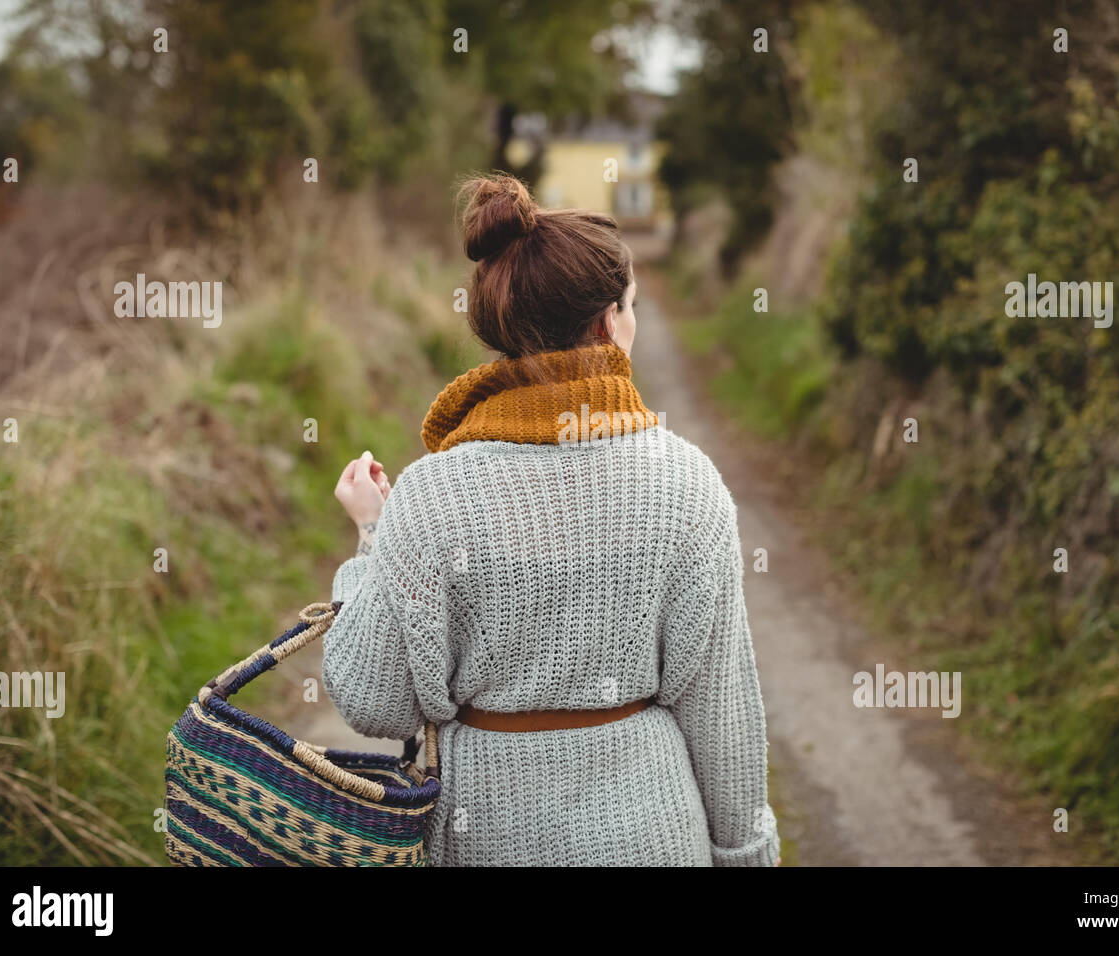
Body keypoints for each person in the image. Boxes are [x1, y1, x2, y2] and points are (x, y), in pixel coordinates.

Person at [324, 172, 779, 866]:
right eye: (630, 308)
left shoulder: (429, 494)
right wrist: (746, 855)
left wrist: (372, 538)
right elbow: (722, 715)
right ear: (605, 322)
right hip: (655, 840)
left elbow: (373, 697)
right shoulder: (687, 482)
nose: (634, 323)